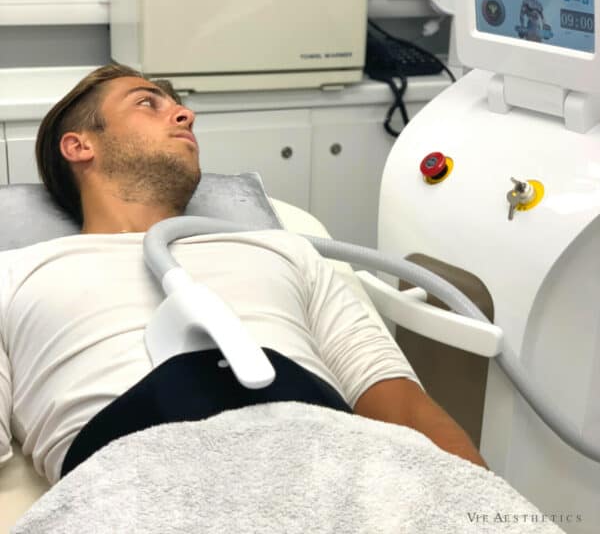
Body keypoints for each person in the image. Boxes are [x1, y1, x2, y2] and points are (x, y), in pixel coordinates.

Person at [0, 64, 485, 486]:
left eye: (179, 106)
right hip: (131, 484)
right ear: (79, 145)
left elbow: (402, 406)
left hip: (327, 465)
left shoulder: (283, 250)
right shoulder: (19, 274)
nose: (185, 115)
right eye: (147, 103)